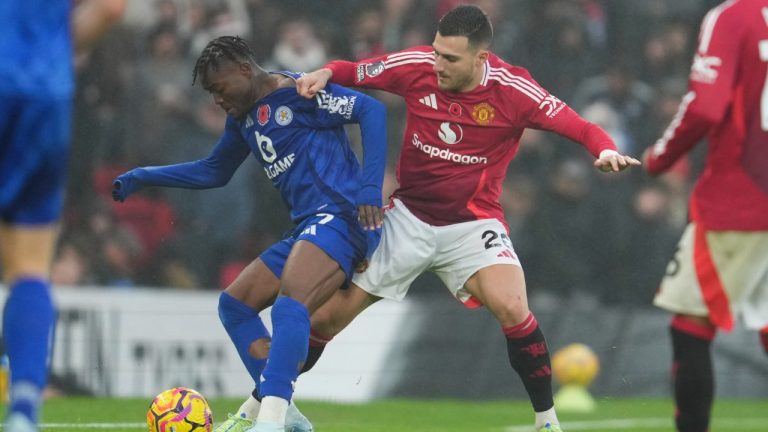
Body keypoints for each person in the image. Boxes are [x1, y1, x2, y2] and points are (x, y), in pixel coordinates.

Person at [295, 5, 641, 432]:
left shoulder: (515, 90)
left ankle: (547, 422)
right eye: (438, 52)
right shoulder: (417, 65)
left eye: (450, 59)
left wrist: (604, 149)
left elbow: (579, 126)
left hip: (473, 226)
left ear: (481, 59)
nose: (438, 64)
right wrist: (325, 72)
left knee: (514, 307)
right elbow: (354, 70)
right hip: (408, 218)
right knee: (325, 319)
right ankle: (266, 409)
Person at [111, 36, 387, 432]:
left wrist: (369, 190)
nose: (217, 100)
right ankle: (287, 415)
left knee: (290, 304)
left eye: (219, 89)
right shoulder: (242, 121)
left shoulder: (299, 93)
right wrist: (144, 176)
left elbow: (371, 110)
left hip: (342, 217)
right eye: (210, 94)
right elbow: (213, 170)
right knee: (235, 304)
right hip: (309, 227)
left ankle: (270, 420)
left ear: (244, 69)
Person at [642, 1, 768, 431]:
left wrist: (660, 155)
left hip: (743, 199)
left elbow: (705, 107)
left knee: (690, 321)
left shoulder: (732, 16)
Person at [0, 1, 125, 431]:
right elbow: (110, 8)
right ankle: (23, 411)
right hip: (47, 94)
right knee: (30, 266)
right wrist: (48, 51)